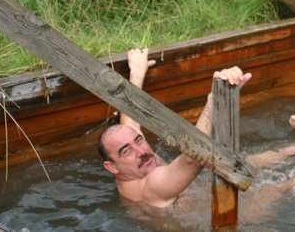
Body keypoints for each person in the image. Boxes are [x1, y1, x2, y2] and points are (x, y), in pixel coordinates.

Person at [97, 48, 252, 208]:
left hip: (194, 194)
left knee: (257, 161)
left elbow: (130, 118)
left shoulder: (132, 158)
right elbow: (192, 159)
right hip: (201, 224)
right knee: (275, 183)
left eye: (138, 140)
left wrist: (137, 71)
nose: (141, 152)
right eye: (127, 151)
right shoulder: (149, 185)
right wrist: (214, 101)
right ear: (112, 167)